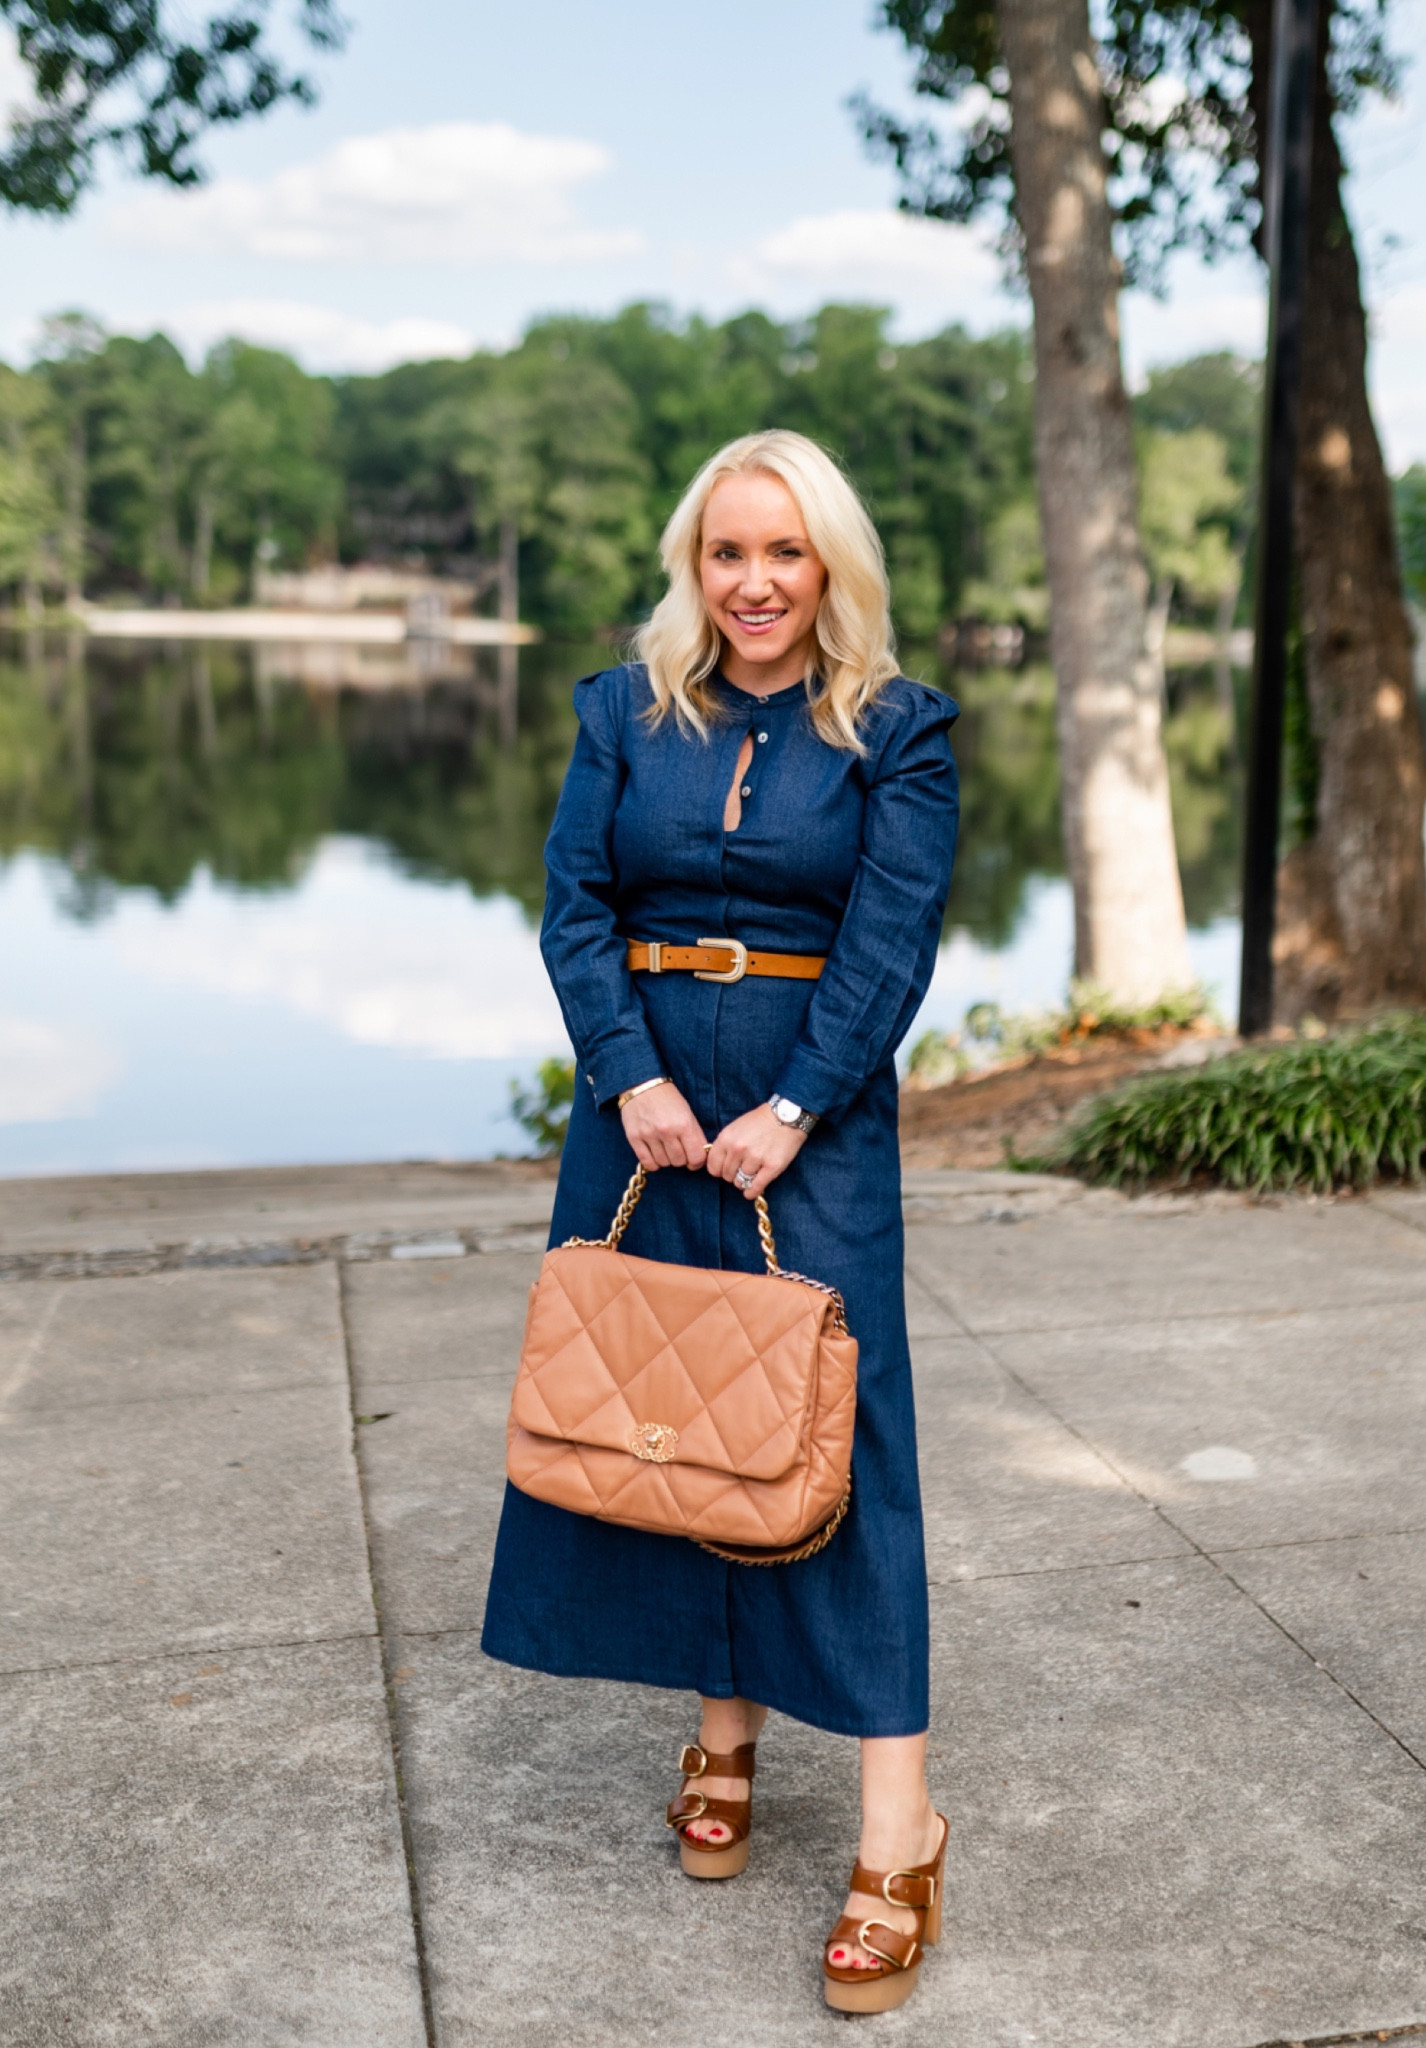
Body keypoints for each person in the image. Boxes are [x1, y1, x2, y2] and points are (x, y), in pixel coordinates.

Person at [482, 428, 960, 2014]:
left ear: (831, 568)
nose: (753, 584)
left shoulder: (895, 731)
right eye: (726, 554)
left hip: (803, 1124)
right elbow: (575, 904)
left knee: (838, 1436)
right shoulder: (625, 712)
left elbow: (892, 943)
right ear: (694, 566)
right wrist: (626, 1075)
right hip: (642, 1113)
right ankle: (723, 1735)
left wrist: (791, 1107)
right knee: (669, 1416)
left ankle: (900, 1829)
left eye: (785, 554)